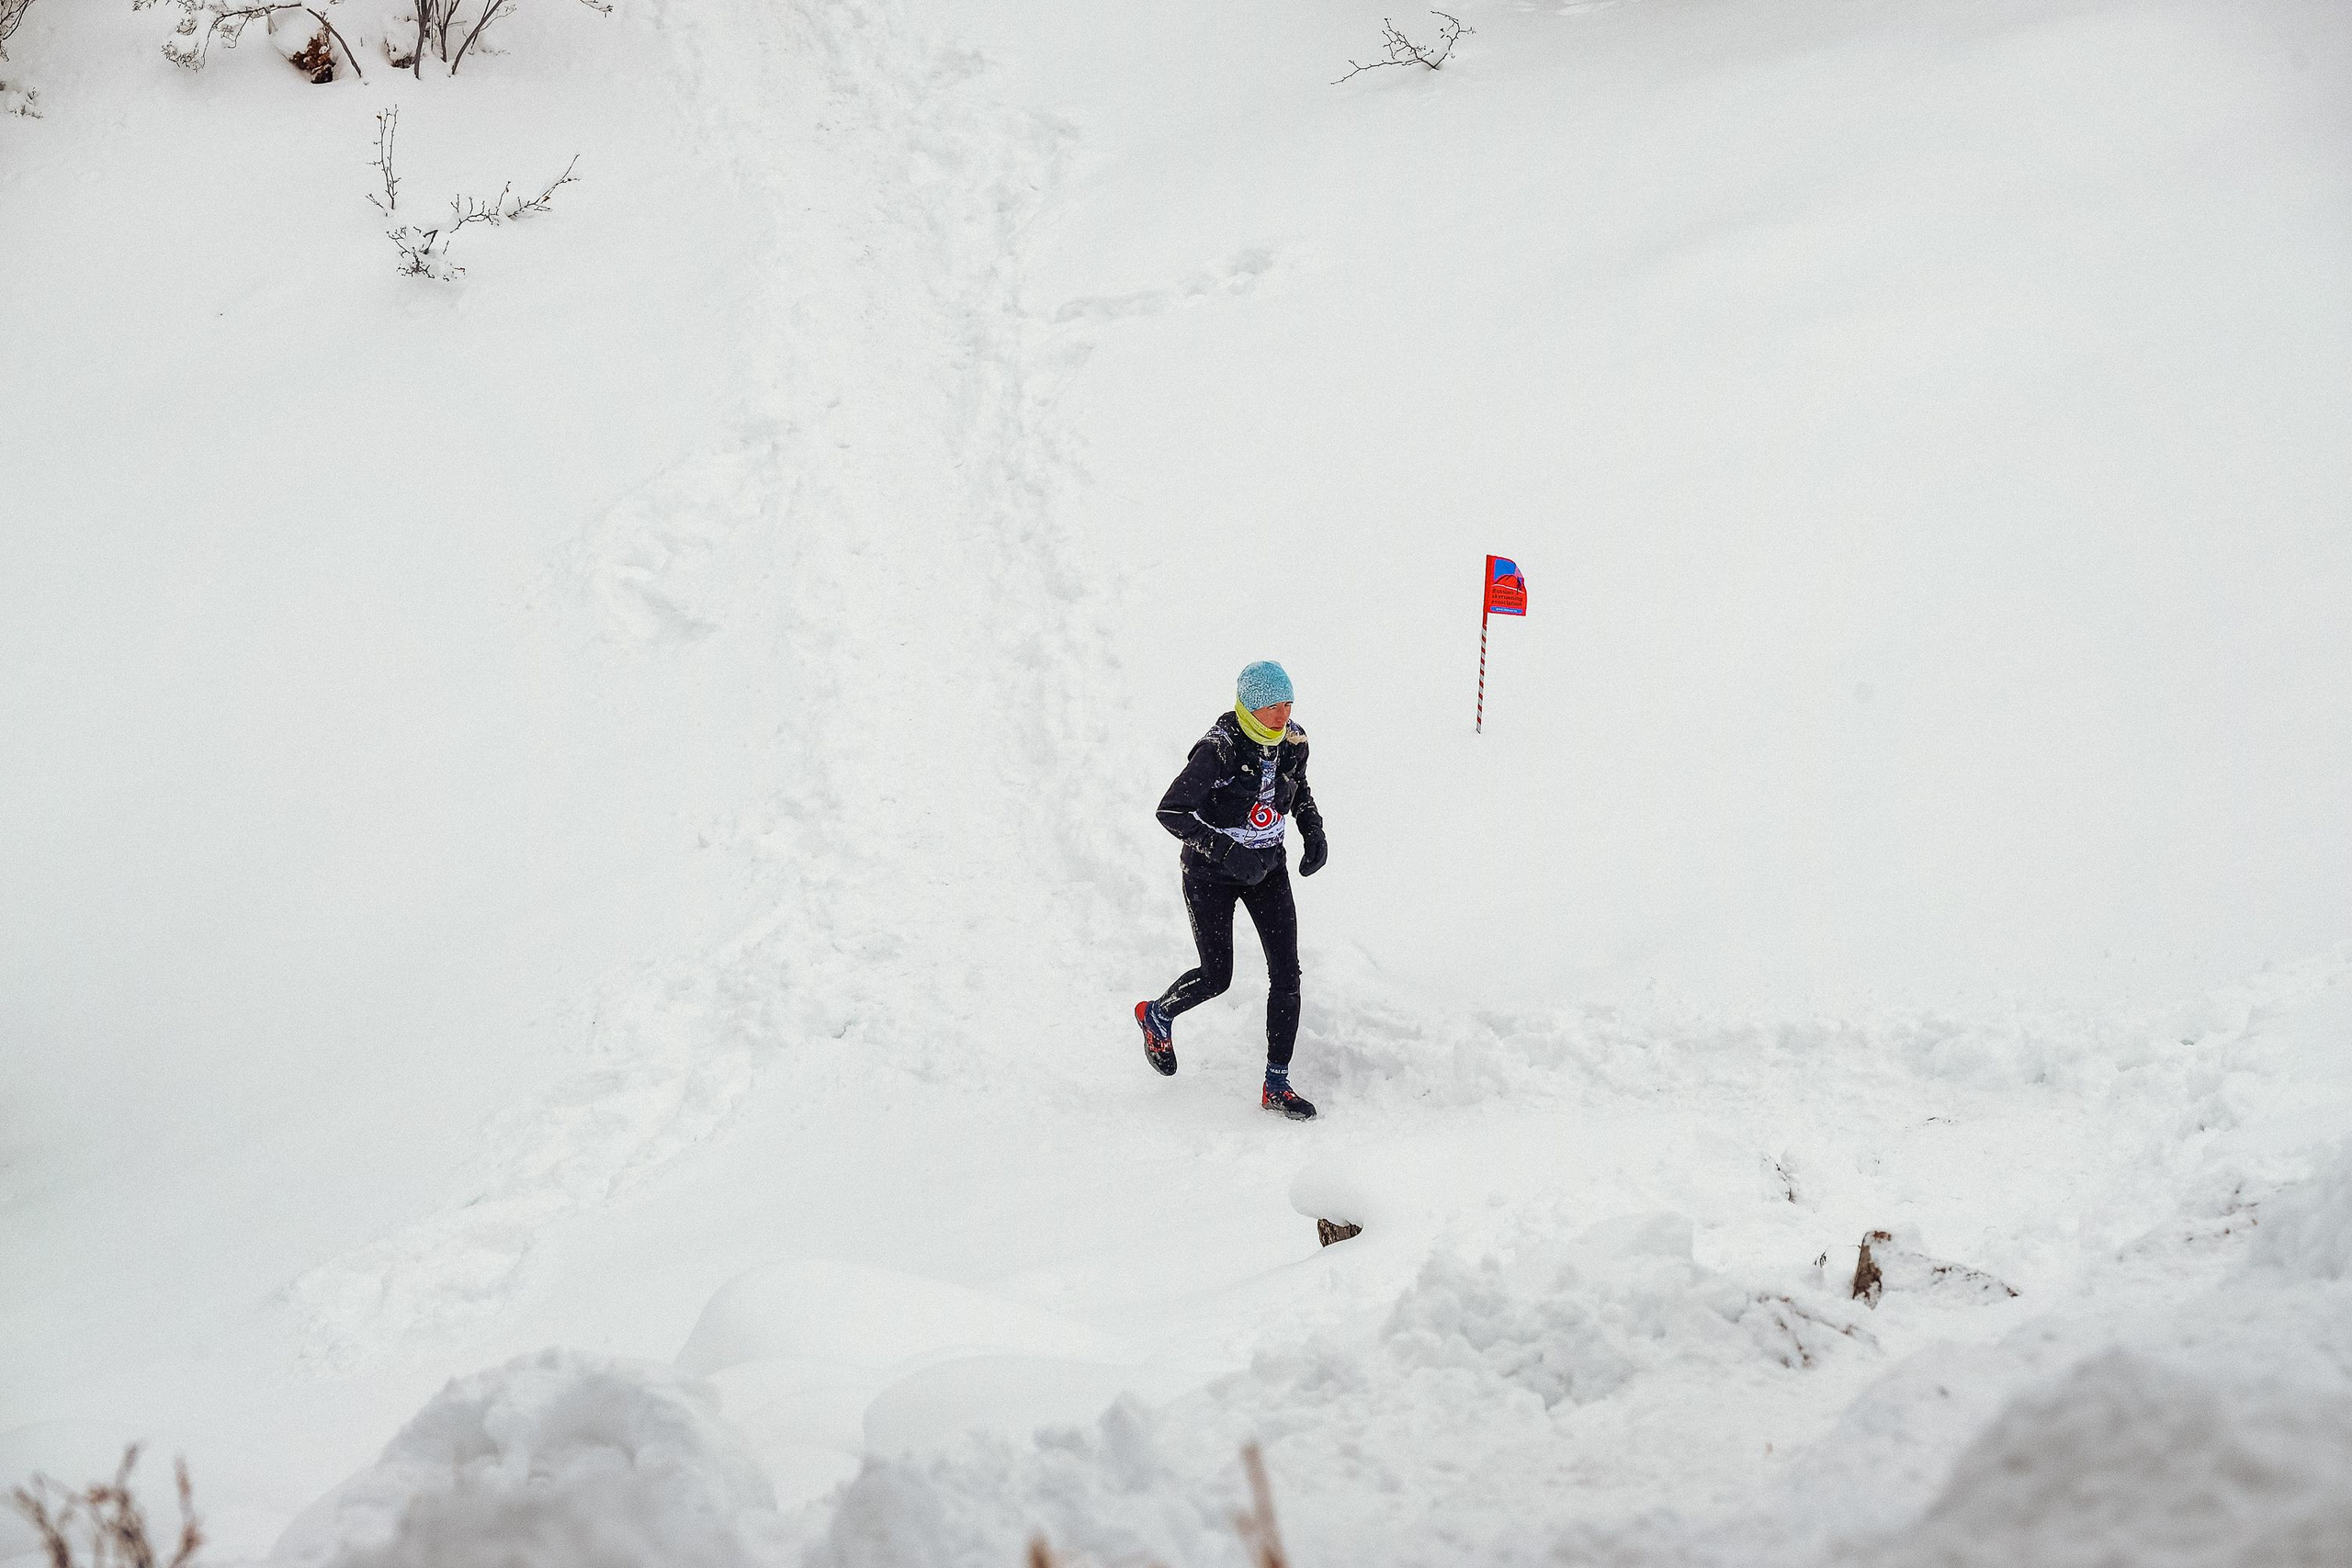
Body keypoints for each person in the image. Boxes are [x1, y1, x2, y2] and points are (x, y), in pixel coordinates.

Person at [1135, 660, 1328, 1120]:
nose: (1282, 715)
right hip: (1210, 875)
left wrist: (1313, 830)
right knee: (1217, 976)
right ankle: (1157, 1015)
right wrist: (1226, 852)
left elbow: (1298, 789)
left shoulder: (1294, 741)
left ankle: (1276, 1084)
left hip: (1267, 871)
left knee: (1287, 975)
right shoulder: (1218, 749)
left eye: (1287, 704)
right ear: (1248, 707)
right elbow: (1172, 812)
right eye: (1271, 707)